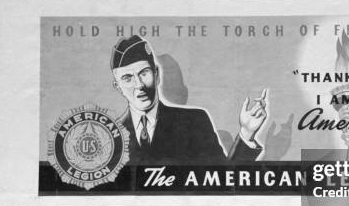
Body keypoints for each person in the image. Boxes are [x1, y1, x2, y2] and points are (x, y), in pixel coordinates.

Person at [111, 35, 268, 165]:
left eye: (144, 73)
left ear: (157, 74)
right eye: (127, 78)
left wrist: (246, 133)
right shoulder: (110, 138)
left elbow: (223, 181)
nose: (139, 85)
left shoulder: (194, 122)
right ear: (118, 87)